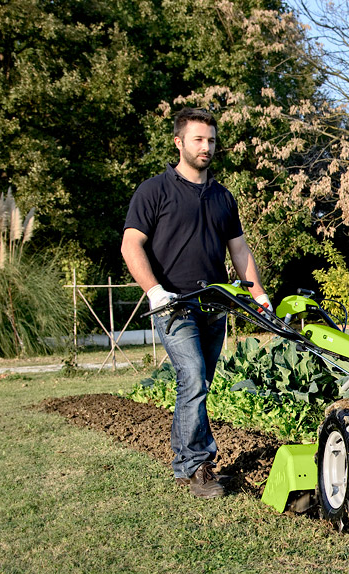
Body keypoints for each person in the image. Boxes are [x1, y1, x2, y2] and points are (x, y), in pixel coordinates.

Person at [121, 108, 270, 499]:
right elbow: (131, 245)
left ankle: (184, 463)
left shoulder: (222, 197)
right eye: (199, 140)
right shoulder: (154, 191)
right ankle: (196, 467)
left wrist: (259, 295)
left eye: (212, 140)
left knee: (198, 383)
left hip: (214, 305)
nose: (207, 147)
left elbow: (240, 250)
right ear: (179, 142)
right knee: (192, 377)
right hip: (174, 305)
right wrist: (154, 291)